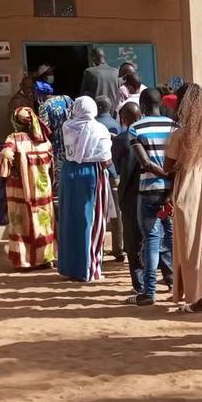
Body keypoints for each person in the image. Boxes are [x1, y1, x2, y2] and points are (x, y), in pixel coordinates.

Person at [164, 84, 202, 313]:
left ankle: (197, 299)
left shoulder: (181, 134)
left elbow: (167, 166)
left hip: (187, 196)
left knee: (189, 248)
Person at [128, 88, 176, 306]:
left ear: (143, 105)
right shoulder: (175, 127)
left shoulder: (136, 128)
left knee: (151, 240)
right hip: (173, 191)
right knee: (170, 238)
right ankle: (176, 284)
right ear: (160, 104)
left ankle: (149, 292)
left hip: (149, 190)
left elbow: (145, 163)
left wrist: (163, 175)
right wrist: (171, 182)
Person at [57, 97, 113, 282]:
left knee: (69, 219)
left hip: (68, 172)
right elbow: (105, 159)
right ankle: (88, 269)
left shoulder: (67, 126)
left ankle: (70, 267)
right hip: (91, 174)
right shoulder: (99, 129)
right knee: (91, 221)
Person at [0, 106, 57, 270]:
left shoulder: (14, 138)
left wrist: (6, 166)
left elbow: (6, 154)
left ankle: (24, 260)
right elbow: (52, 166)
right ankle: (45, 258)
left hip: (20, 189)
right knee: (43, 222)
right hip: (42, 189)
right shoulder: (45, 141)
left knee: (20, 222)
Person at [113, 101, 144, 292]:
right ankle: (168, 277)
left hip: (129, 194)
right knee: (154, 237)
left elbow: (116, 167)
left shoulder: (119, 140)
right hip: (152, 193)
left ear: (123, 119)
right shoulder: (149, 135)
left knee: (133, 241)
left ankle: (139, 284)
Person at [95, 97, 125, 262]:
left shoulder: (94, 125)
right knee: (117, 213)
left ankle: (97, 248)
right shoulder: (116, 124)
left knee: (97, 210)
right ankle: (118, 247)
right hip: (114, 172)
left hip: (98, 172)